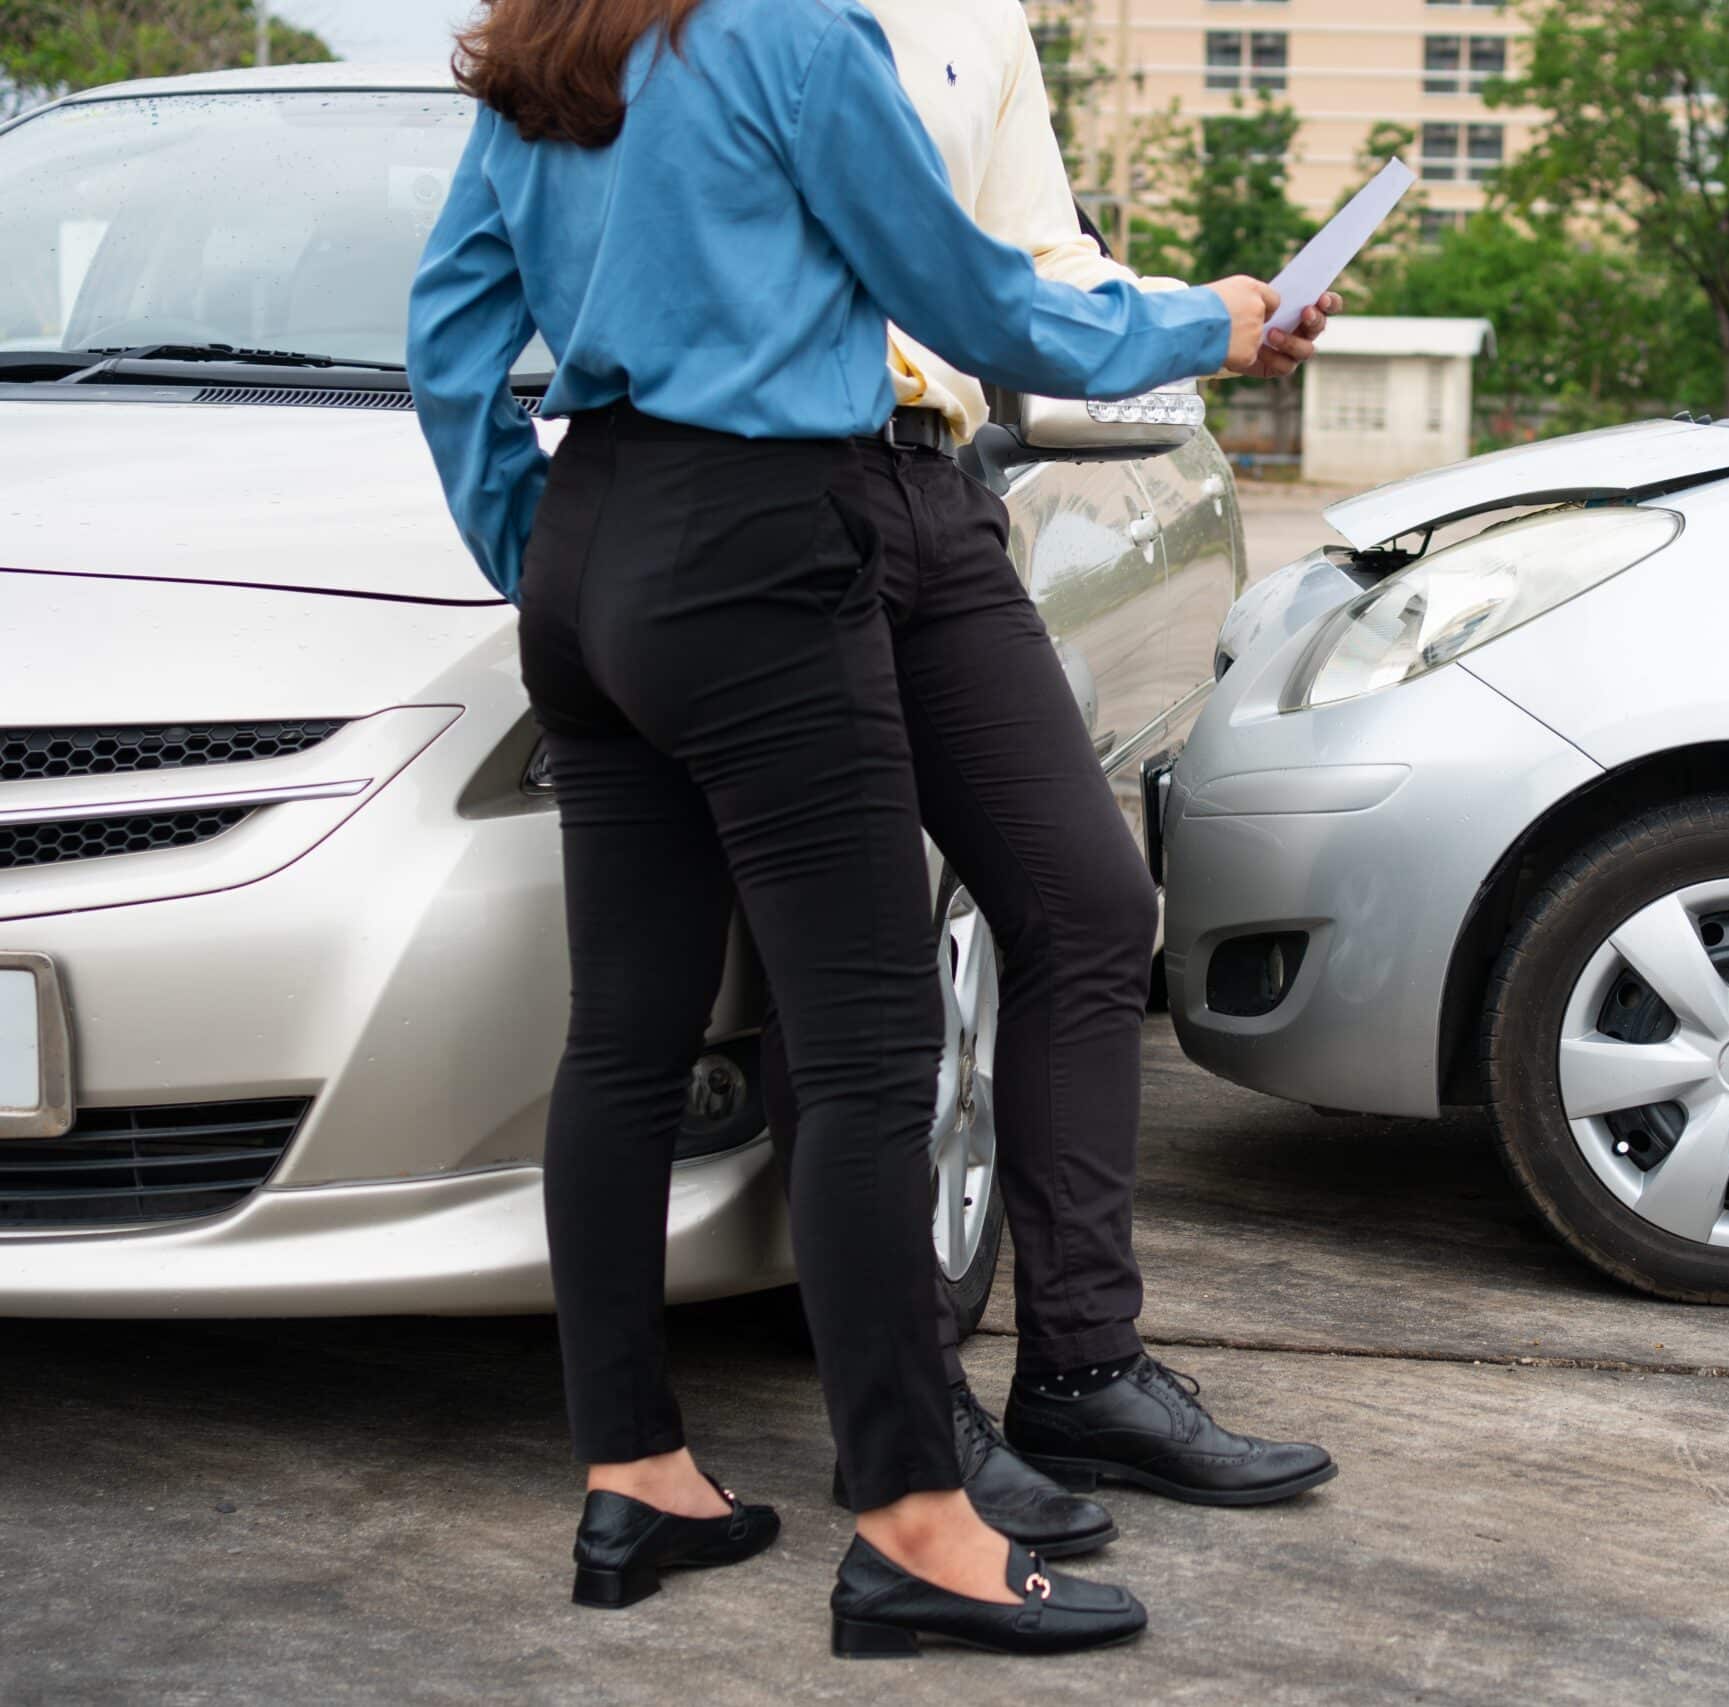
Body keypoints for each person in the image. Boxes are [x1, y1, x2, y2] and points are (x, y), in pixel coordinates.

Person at [407, 0, 1279, 1660]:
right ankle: (909, 1527)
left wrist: (553, 550)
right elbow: (974, 299)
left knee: (622, 1043)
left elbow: (451, 331)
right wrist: (1206, 323)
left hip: (595, 543)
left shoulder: (544, 47)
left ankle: (637, 1474)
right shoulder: (797, 39)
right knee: (873, 1044)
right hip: (758, 540)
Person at [756, 0, 1341, 1560]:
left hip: (933, 486)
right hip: (761, 495)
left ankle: (1080, 1366)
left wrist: (1205, 316)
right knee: (869, 977)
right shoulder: (704, 22)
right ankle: (904, 1417)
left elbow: (1032, 265)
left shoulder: (976, 15)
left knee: (1088, 902)